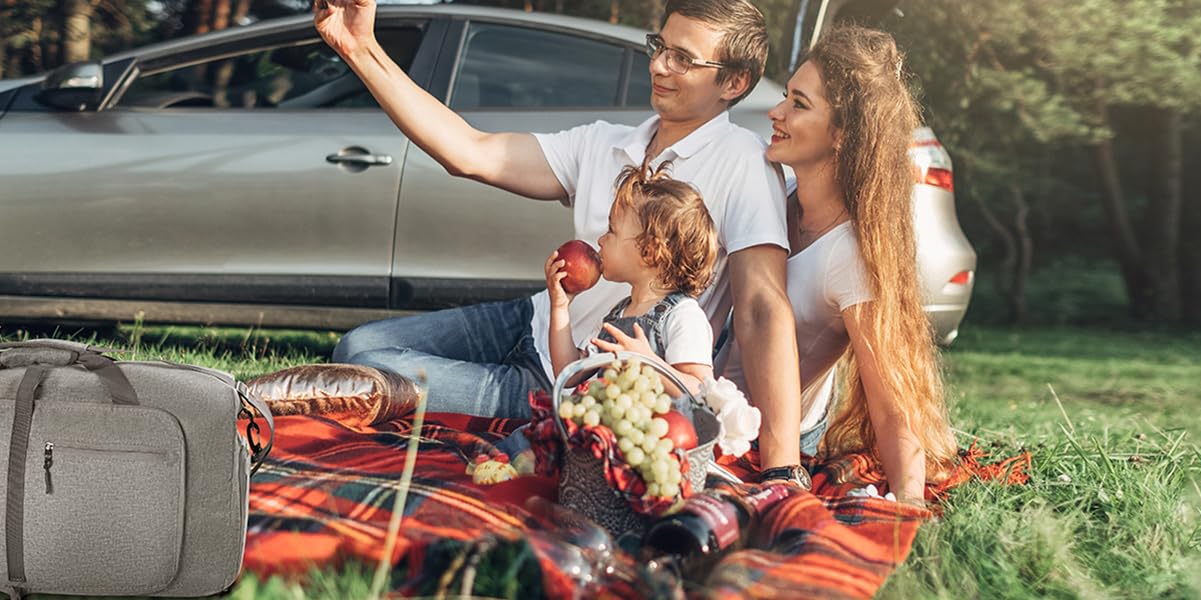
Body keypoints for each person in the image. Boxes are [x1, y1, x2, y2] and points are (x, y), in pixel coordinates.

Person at [316, 0, 814, 487]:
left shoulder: (743, 163)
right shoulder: (603, 141)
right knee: (359, 345)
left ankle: (527, 415)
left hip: (578, 381)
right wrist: (361, 47)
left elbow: (761, 308)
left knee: (365, 369)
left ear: (734, 82)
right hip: (537, 320)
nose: (660, 66)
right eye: (660, 46)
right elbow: (472, 152)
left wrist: (782, 462)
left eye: (684, 58)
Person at [753, 25, 956, 504]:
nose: (775, 112)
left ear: (843, 133)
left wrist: (908, 501)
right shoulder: (774, 197)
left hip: (772, 441)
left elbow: (891, 404)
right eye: (785, 96)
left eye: (798, 105)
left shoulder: (851, 255)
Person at [548, 164, 718, 394]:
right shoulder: (619, 314)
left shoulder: (683, 316)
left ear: (648, 252)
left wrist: (650, 363)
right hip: (610, 426)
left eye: (612, 231)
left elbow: (701, 389)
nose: (600, 240)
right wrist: (560, 308)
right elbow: (569, 373)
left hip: (657, 428)